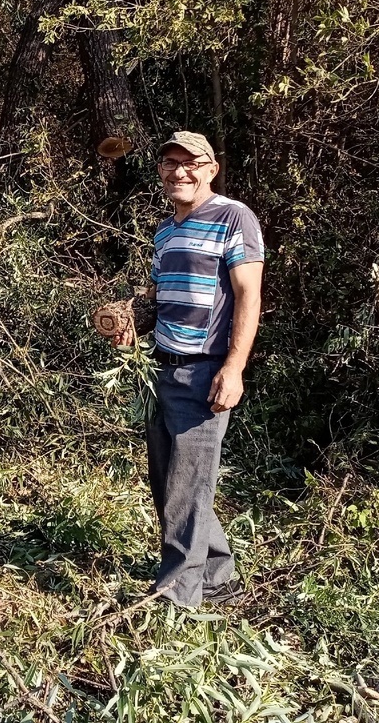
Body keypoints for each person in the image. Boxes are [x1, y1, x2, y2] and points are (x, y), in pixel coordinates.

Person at [113, 131, 264, 607]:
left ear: (211, 168)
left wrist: (233, 368)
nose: (179, 171)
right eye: (170, 163)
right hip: (163, 369)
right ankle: (219, 577)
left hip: (205, 371)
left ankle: (178, 595)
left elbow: (248, 295)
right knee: (171, 480)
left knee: (186, 484)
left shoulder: (233, 217)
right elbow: (163, 300)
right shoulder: (165, 231)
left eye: (190, 163)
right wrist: (131, 324)